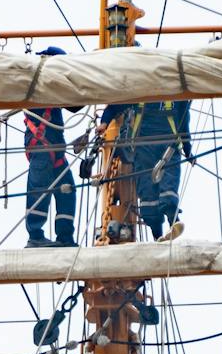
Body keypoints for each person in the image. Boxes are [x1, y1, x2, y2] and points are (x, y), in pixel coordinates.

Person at [100, 97, 193, 238]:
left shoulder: (147, 91)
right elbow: (115, 106)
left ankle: (172, 222)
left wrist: (188, 150)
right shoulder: (147, 91)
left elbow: (183, 120)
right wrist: (104, 122)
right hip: (149, 148)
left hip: (163, 147)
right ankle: (159, 235)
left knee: (165, 188)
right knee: (151, 194)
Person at [23, 47, 77, 249]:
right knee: (39, 190)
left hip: (54, 150)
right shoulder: (38, 84)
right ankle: (35, 236)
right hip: (42, 148)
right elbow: (74, 105)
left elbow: (74, 105)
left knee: (67, 190)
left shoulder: (51, 86)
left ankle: (65, 236)